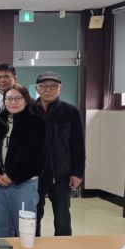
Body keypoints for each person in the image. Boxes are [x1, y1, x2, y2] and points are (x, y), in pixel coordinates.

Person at [0, 84, 46, 238]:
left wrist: (12, 175)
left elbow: (36, 156)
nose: (13, 102)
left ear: (26, 100)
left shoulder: (36, 122)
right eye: (9, 98)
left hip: (24, 183)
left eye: (18, 98)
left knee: (24, 228)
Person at [33, 71, 85, 236]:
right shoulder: (29, 110)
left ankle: (64, 248)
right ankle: (33, 245)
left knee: (62, 217)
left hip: (61, 174)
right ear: (37, 89)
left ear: (60, 89)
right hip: (35, 174)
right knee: (33, 215)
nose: (48, 90)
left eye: (53, 86)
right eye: (44, 86)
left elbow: (78, 145)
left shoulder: (70, 111)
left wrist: (77, 173)